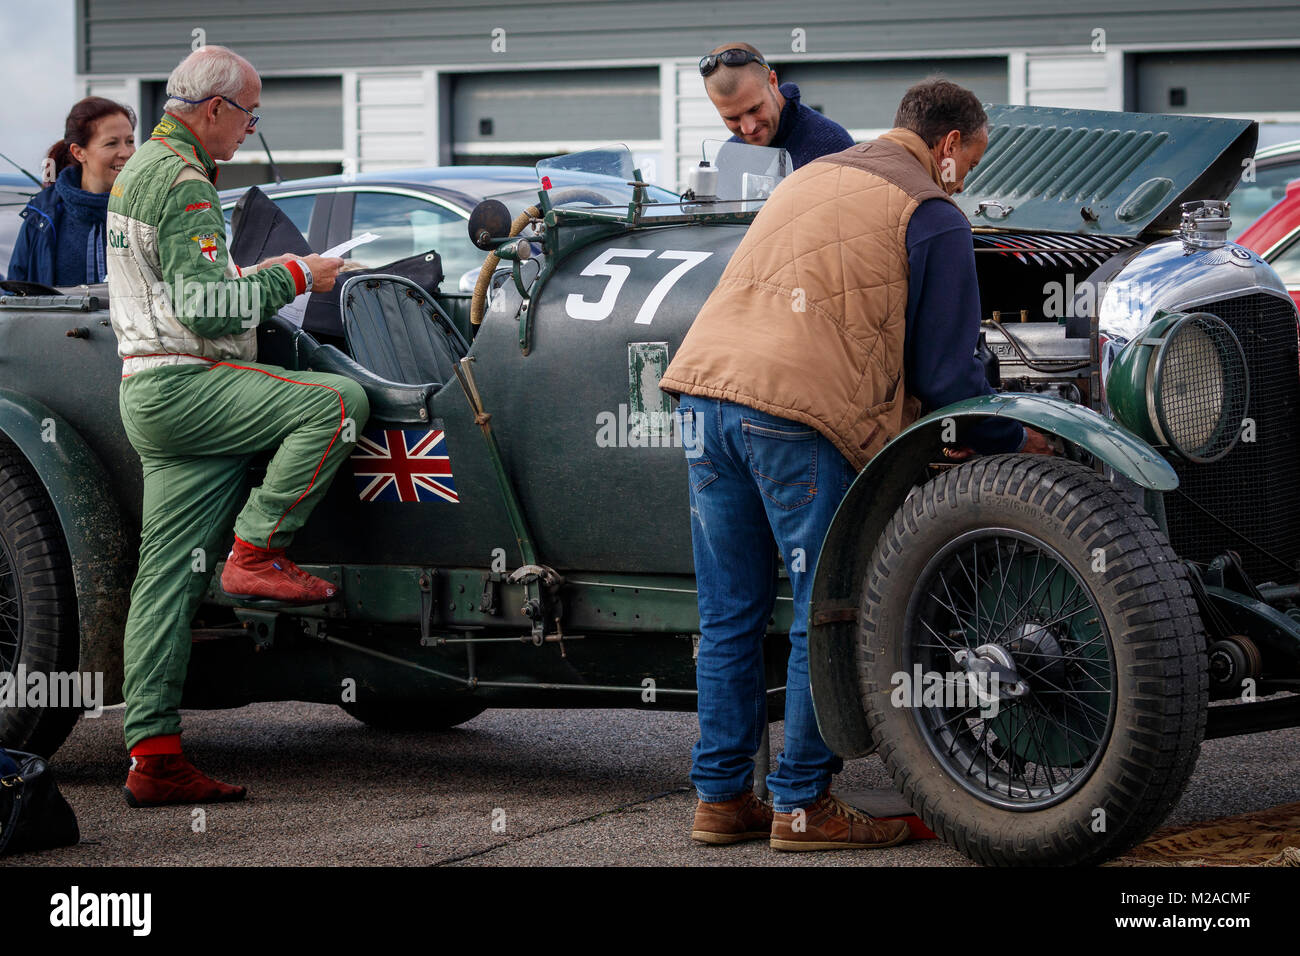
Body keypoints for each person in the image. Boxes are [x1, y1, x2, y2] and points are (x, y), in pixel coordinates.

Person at [660, 77, 1053, 850]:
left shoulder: (813, 176)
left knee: (730, 615)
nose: (965, 180)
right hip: (795, 418)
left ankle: (719, 800)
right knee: (822, 612)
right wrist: (1022, 440)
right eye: (969, 163)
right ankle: (802, 806)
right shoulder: (932, 214)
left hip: (703, 396)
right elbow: (947, 383)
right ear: (946, 147)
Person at [107, 45, 370, 807]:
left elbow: (180, 288)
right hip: (191, 385)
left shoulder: (140, 169)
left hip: (149, 394)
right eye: (250, 115)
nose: (251, 131)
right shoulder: (185, 182)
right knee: (333, 404)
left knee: (163, 583)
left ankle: (153, 756)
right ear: (215, 109)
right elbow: (204, 307)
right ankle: (256, 554)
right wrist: (299, 274)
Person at [8, 97, 137, 286]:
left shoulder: (150, 210)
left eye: (130, 141)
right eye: (111, 143)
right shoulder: (41, 216)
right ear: (78, 152)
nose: (126, 152)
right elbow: (15, 295)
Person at [699, 42, 853, 168]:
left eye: (755, 109)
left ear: (773, 81)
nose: (748, 128)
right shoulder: (729, 157)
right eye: (732, 118)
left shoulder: (832, 147)